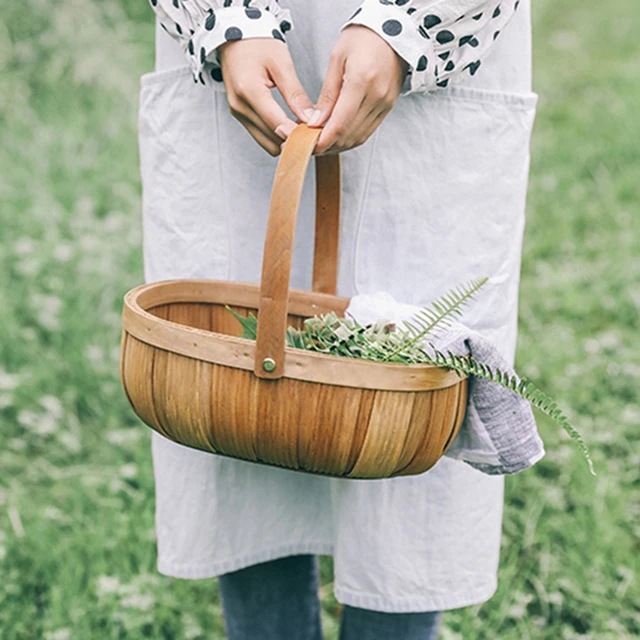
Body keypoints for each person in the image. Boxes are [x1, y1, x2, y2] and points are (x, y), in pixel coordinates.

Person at [140, 1, 538, 637]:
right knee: (233, 398)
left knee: (408, 404)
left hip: (440, 45)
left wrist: (410, 25)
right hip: (235, 50)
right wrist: (227, 21)